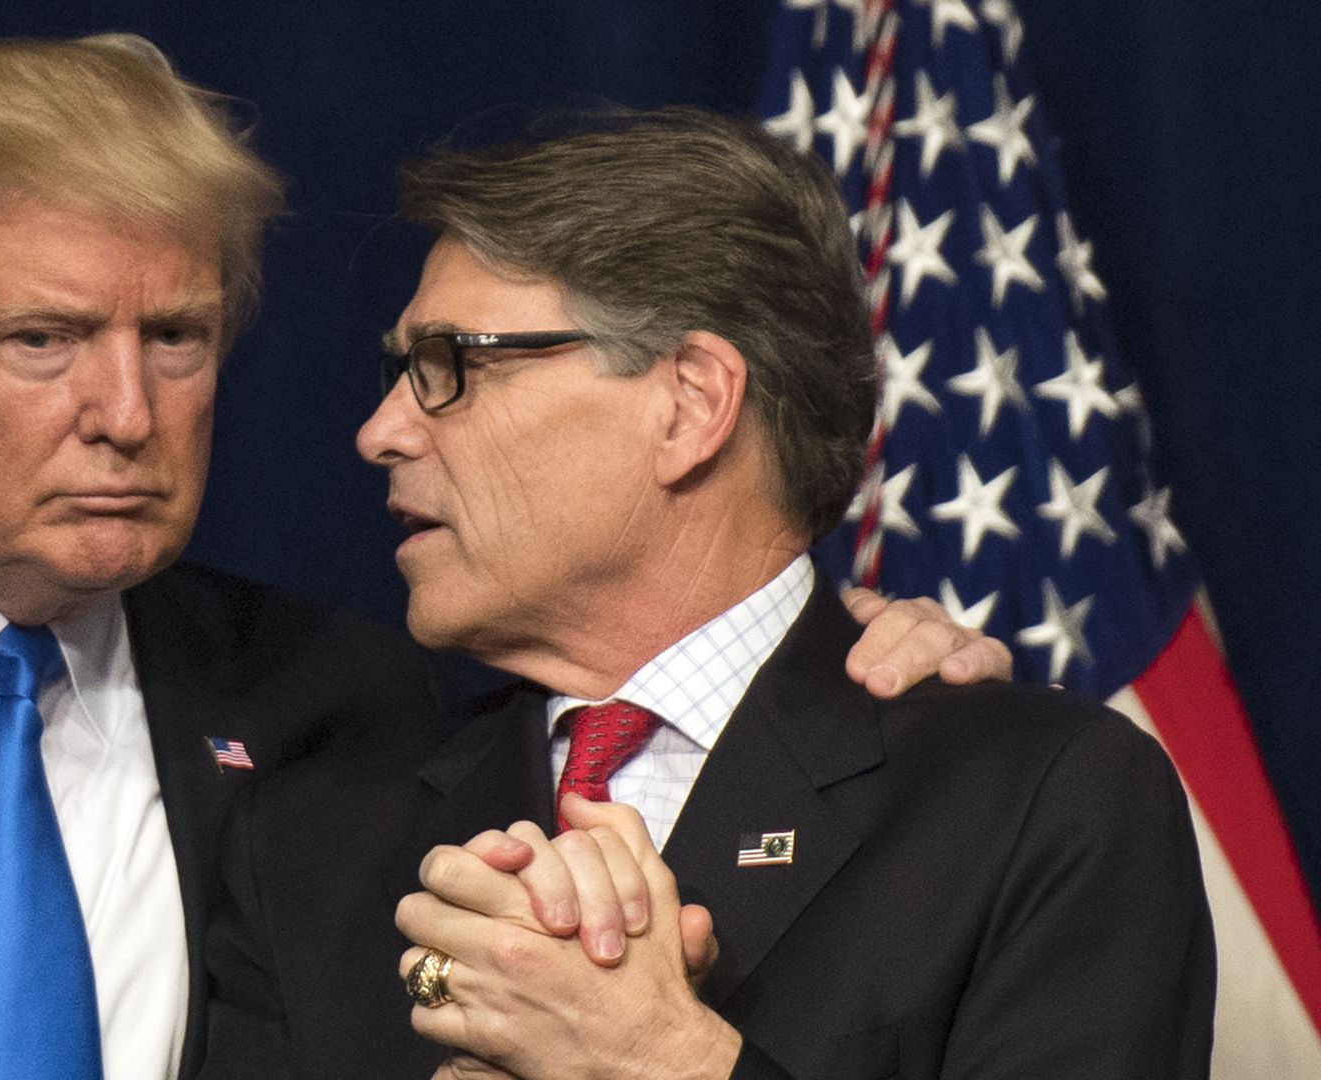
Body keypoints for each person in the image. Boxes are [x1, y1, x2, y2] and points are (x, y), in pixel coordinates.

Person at [0, 37, 1006, 1080]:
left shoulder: (353, 706)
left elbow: (692, 676)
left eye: (176, 336)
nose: (124, 410)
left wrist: (838, 647)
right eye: (45, 340)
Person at [201, 106, 1214, 1079]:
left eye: (448, 366)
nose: (382, 431)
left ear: (689, 405)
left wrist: (660, 1062)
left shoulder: (1036, 804)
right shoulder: (309, 844)